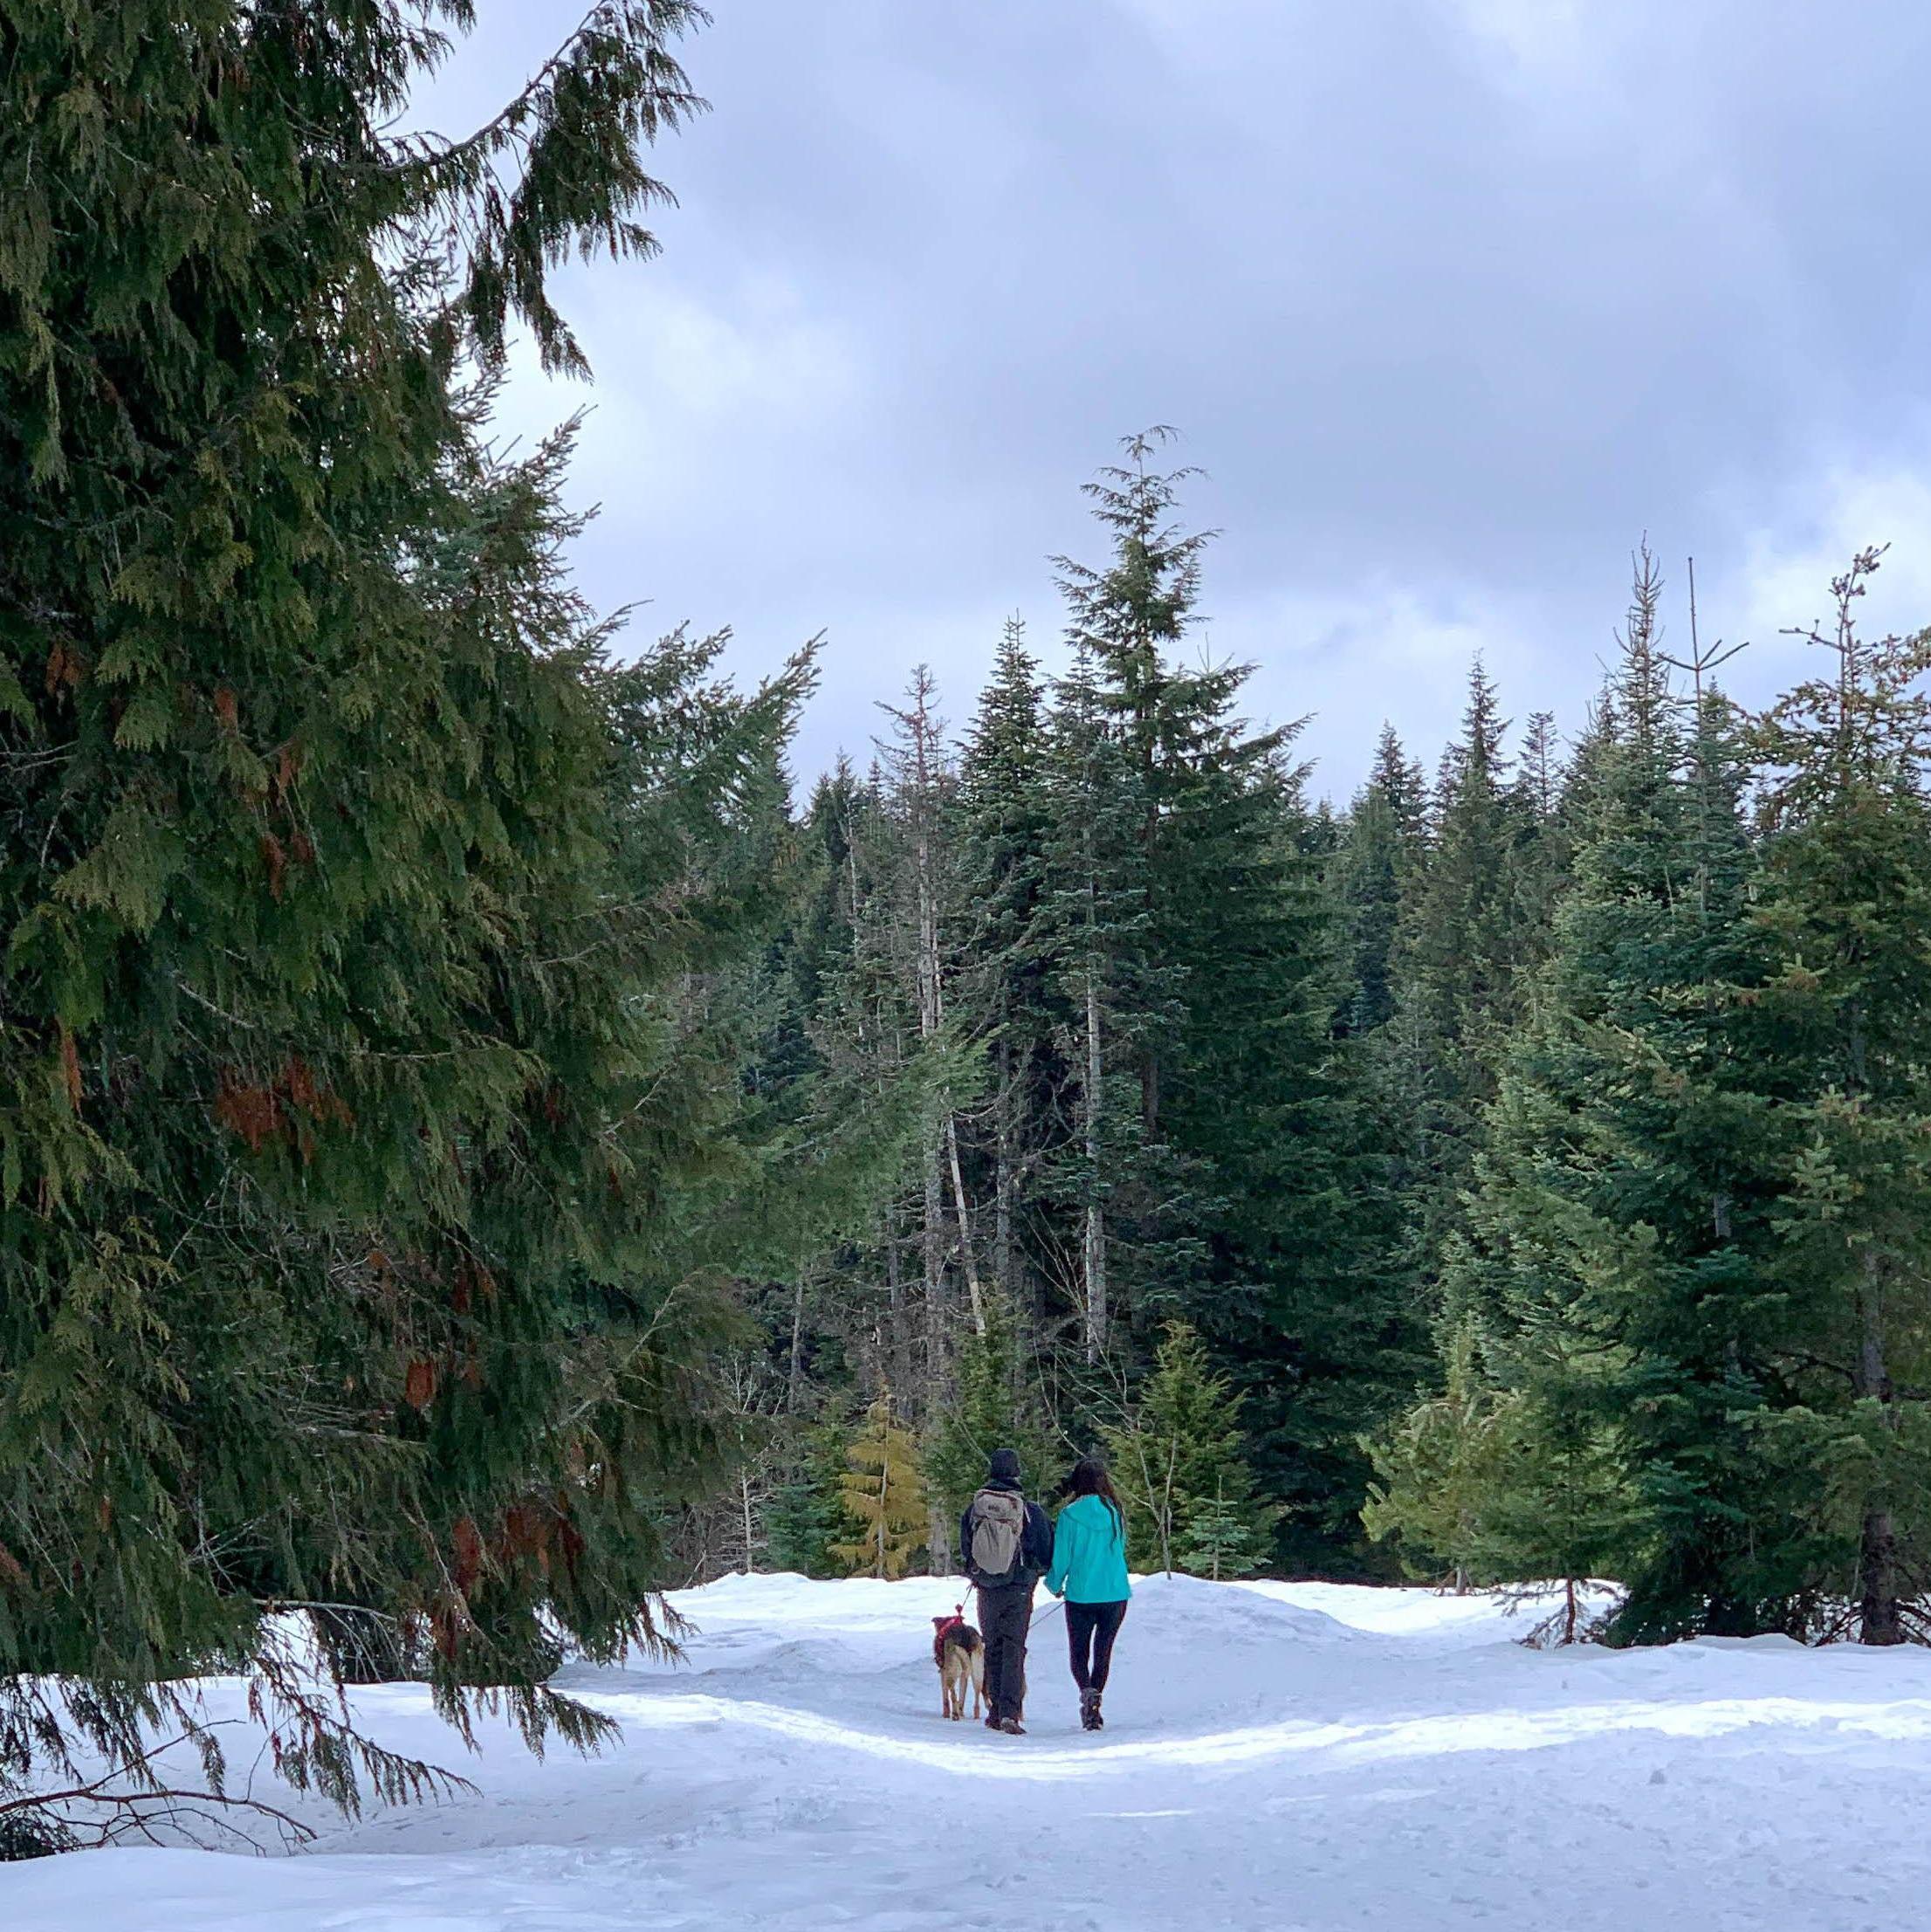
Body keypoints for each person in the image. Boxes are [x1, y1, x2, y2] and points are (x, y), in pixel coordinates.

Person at [959, 1448, 1054, 1736]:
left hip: (987, 1586)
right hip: (1019, 1587)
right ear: (1016, 1473)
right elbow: (1045, 1547)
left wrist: (977, 1572)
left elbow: (966, 1545)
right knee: (1014, 1646)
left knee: (993, 1645)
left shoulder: (976, 1507)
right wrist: (1036, 1573)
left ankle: (995, 1710)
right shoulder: (1028, 1509)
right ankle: (1010, 1711)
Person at [1044, 1457, 1131, 1731]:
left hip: (1081, 1594)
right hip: (1115, 1592)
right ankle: (1096, 1698)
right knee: (1103, 1651)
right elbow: (1121, 1548)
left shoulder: (1070, 1514)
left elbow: (1062, 1556)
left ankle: (1086, 1692)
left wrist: (1054, 1583)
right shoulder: (1115, 1511)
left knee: (1079, 1653)